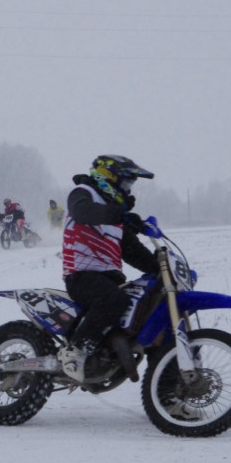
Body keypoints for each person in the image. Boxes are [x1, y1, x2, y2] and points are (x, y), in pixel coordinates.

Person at [58, 155, 158, 383]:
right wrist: (120, 215)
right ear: (108, 177)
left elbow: (132, 251)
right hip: (81, 276)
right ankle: (76, 350)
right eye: (126, 183)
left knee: (143, 307)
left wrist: (160, 265)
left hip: (110, 279)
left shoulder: (115, 216)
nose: (128, 190)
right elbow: (82, 212)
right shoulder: (83, 193)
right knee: (114, 301)